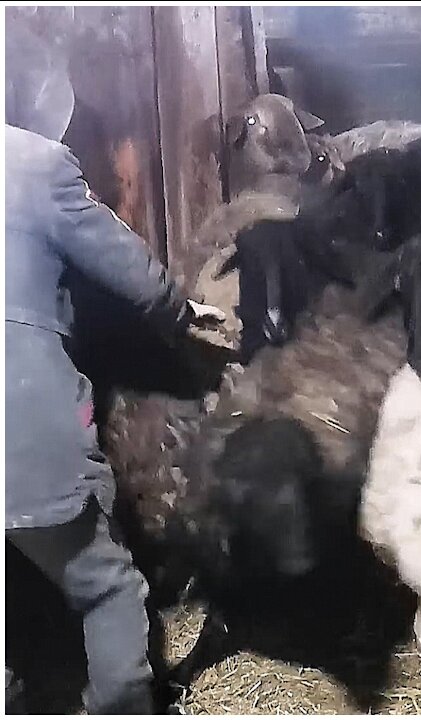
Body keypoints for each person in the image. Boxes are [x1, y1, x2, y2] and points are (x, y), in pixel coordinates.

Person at [5, 24, 225, 714]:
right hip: (19, 420)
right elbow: (127, 267)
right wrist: (183, 312)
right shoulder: (34, 165)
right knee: (106, 586)